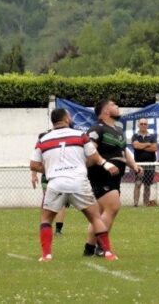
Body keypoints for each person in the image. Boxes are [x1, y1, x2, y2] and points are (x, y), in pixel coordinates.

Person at [31, 108, 118, 262]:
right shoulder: (80, 135)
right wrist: (106, 165)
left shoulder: (43, 140)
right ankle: (109, 253)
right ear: (66, 119)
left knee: (45, 220)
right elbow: (94, 156)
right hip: (79, 182)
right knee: (95, 218)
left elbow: (34, 165)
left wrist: (50, 169)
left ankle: (46, 255)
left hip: (56, 182)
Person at [83, 99, 142, 257]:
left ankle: (89, 248)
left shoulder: (117, 130)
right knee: (113, 207)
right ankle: (102, 247)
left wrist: (134, 166)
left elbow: (124, 152)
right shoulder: (97, 129)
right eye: (113, 105)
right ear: (105, 111)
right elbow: (89, 152)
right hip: (102, 174)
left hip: (115, 177)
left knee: (100, 214)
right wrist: (102, 165)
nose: (117, 107)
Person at [131, 118, 158, 207]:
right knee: (138, 184)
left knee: (147, 185)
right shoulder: (135, 136)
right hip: (138, 164)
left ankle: (146, 204)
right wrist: (147, 144)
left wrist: (141, 146)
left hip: (150, 164)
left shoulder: (152, 136)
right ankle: (135, 204)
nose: (143, 125)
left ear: (147, 125)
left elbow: (154, 148)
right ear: (138, 125)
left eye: (145, 124)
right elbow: (136, 146)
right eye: (141, 124)